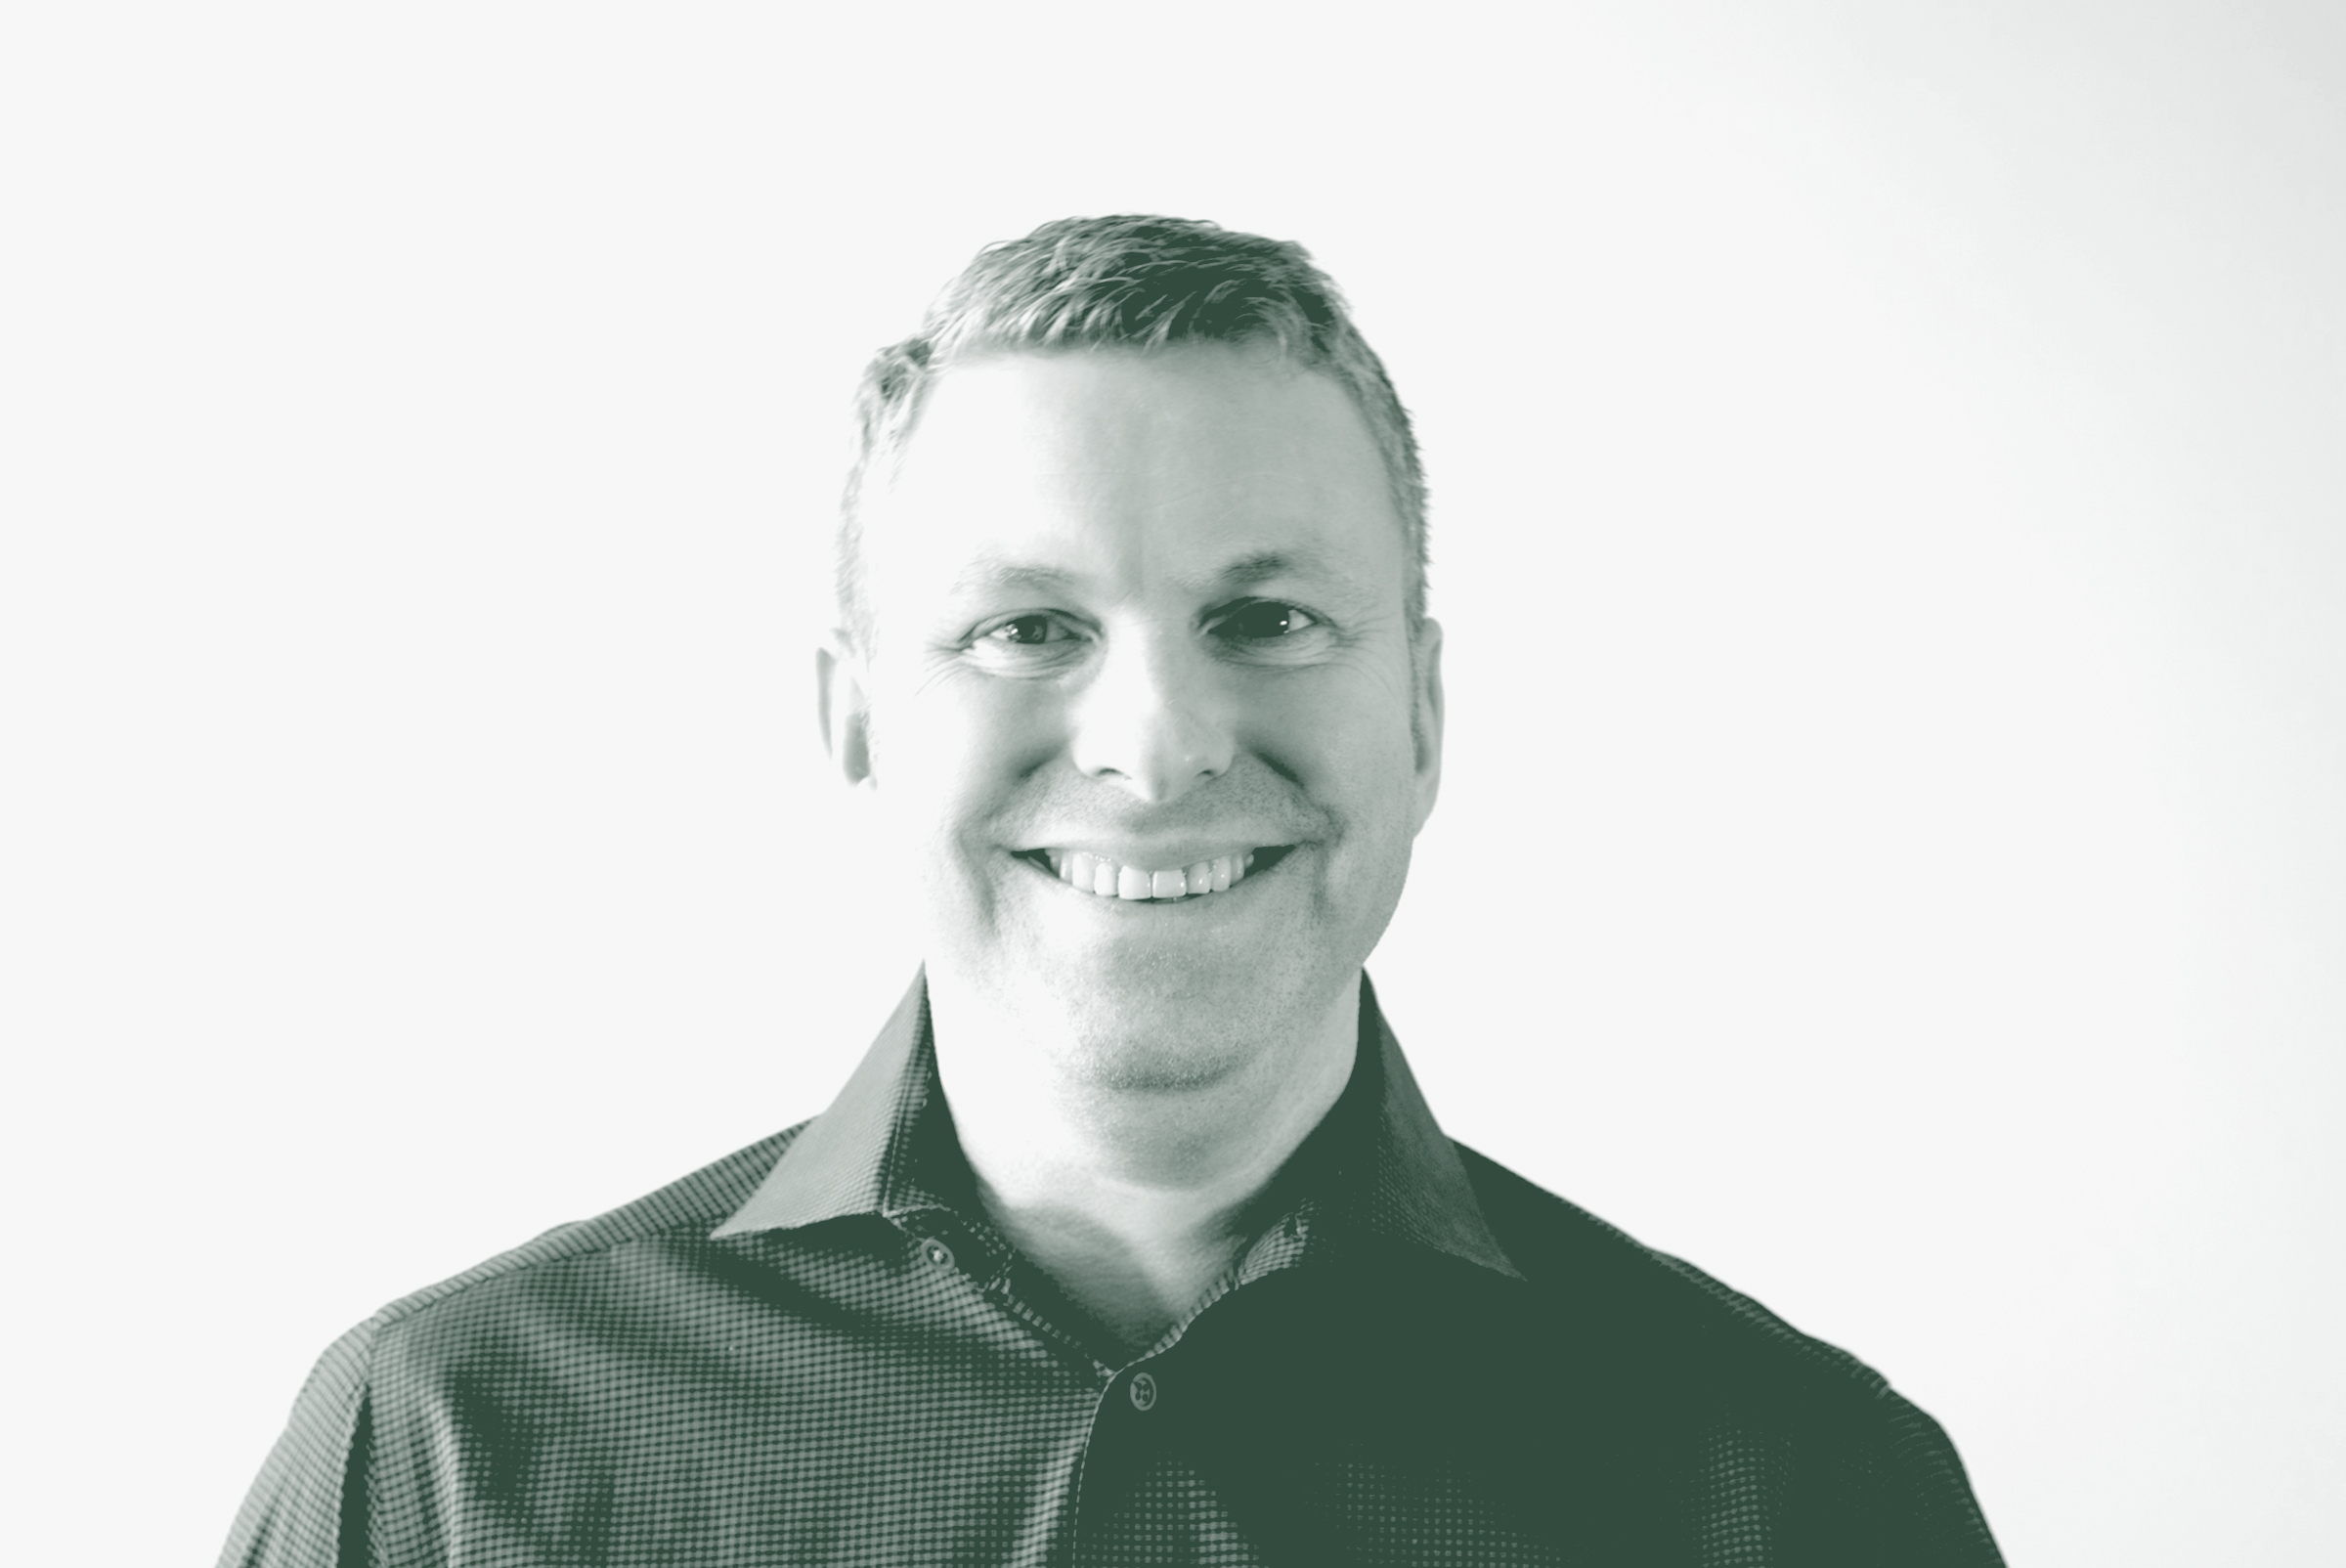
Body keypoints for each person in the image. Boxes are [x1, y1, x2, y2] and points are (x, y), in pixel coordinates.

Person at [221, 216, 2005, 1567]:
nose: (1155, 746)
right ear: (858, 722)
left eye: (1269, 618)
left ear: (1425, 711)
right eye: (1027, 628)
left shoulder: (1798, 1490)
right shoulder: (451, 1448)